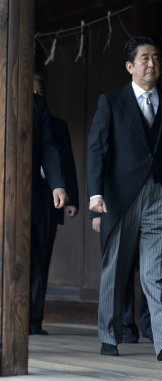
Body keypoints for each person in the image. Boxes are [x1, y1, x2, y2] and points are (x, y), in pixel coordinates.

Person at [87, 35, 162, 361]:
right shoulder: (111, 101)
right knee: (115, 271)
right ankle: (109, 335)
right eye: (144, 58)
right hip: (120, 197)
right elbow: (97, 149)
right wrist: (95, 195)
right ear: (130, 66)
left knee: (156, 272)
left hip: (160, 197)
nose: (151, 64)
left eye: (156, 58)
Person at [30, 90, 69, 335]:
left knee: (38, 259)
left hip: (36, 193)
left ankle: (32, 321)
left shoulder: (37, 103)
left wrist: (57, 184)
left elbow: (48, 146)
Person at [91, 215, 153, 343]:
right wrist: (96, 214)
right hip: (118, 210)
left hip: (153, 211)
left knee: (151, 272)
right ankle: (126, 327)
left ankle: (152, 327)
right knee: (120, 269)